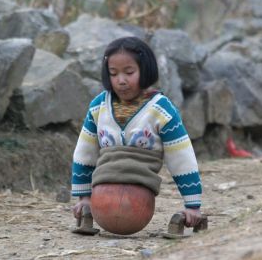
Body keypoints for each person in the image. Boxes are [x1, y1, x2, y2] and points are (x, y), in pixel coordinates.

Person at [71, 36, 202, 228]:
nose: (121, 81)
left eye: (129, 72)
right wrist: (83, 198)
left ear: (145, 69)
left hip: (139, 200)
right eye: (113, 73)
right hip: (102, 195)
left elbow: (181, 157)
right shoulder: (98, 107)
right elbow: (85, 152)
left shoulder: (161, 111)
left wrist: (192, 205)